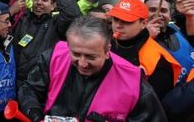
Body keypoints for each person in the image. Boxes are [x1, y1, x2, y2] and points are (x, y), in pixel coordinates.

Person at [19, 16, 167, 122]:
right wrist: (34, 114)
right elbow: (29, 89)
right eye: (76, 54)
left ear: (107, 50)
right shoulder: (53, 57)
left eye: (91, 57)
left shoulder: (133, 81)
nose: (82, 63)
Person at [0, 0, 81, 88]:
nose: (39, 3)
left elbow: (72, 15)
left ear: (53, 6)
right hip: (14, 83)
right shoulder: (23, 20)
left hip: (40, 86)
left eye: (45, 0)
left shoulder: (56, 24)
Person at [109, 0, 180, 100]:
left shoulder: (159, 60)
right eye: (115, 19)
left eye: (127, 21)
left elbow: (154, 103)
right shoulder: (102, 42)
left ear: (143, 23)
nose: (118, 25)